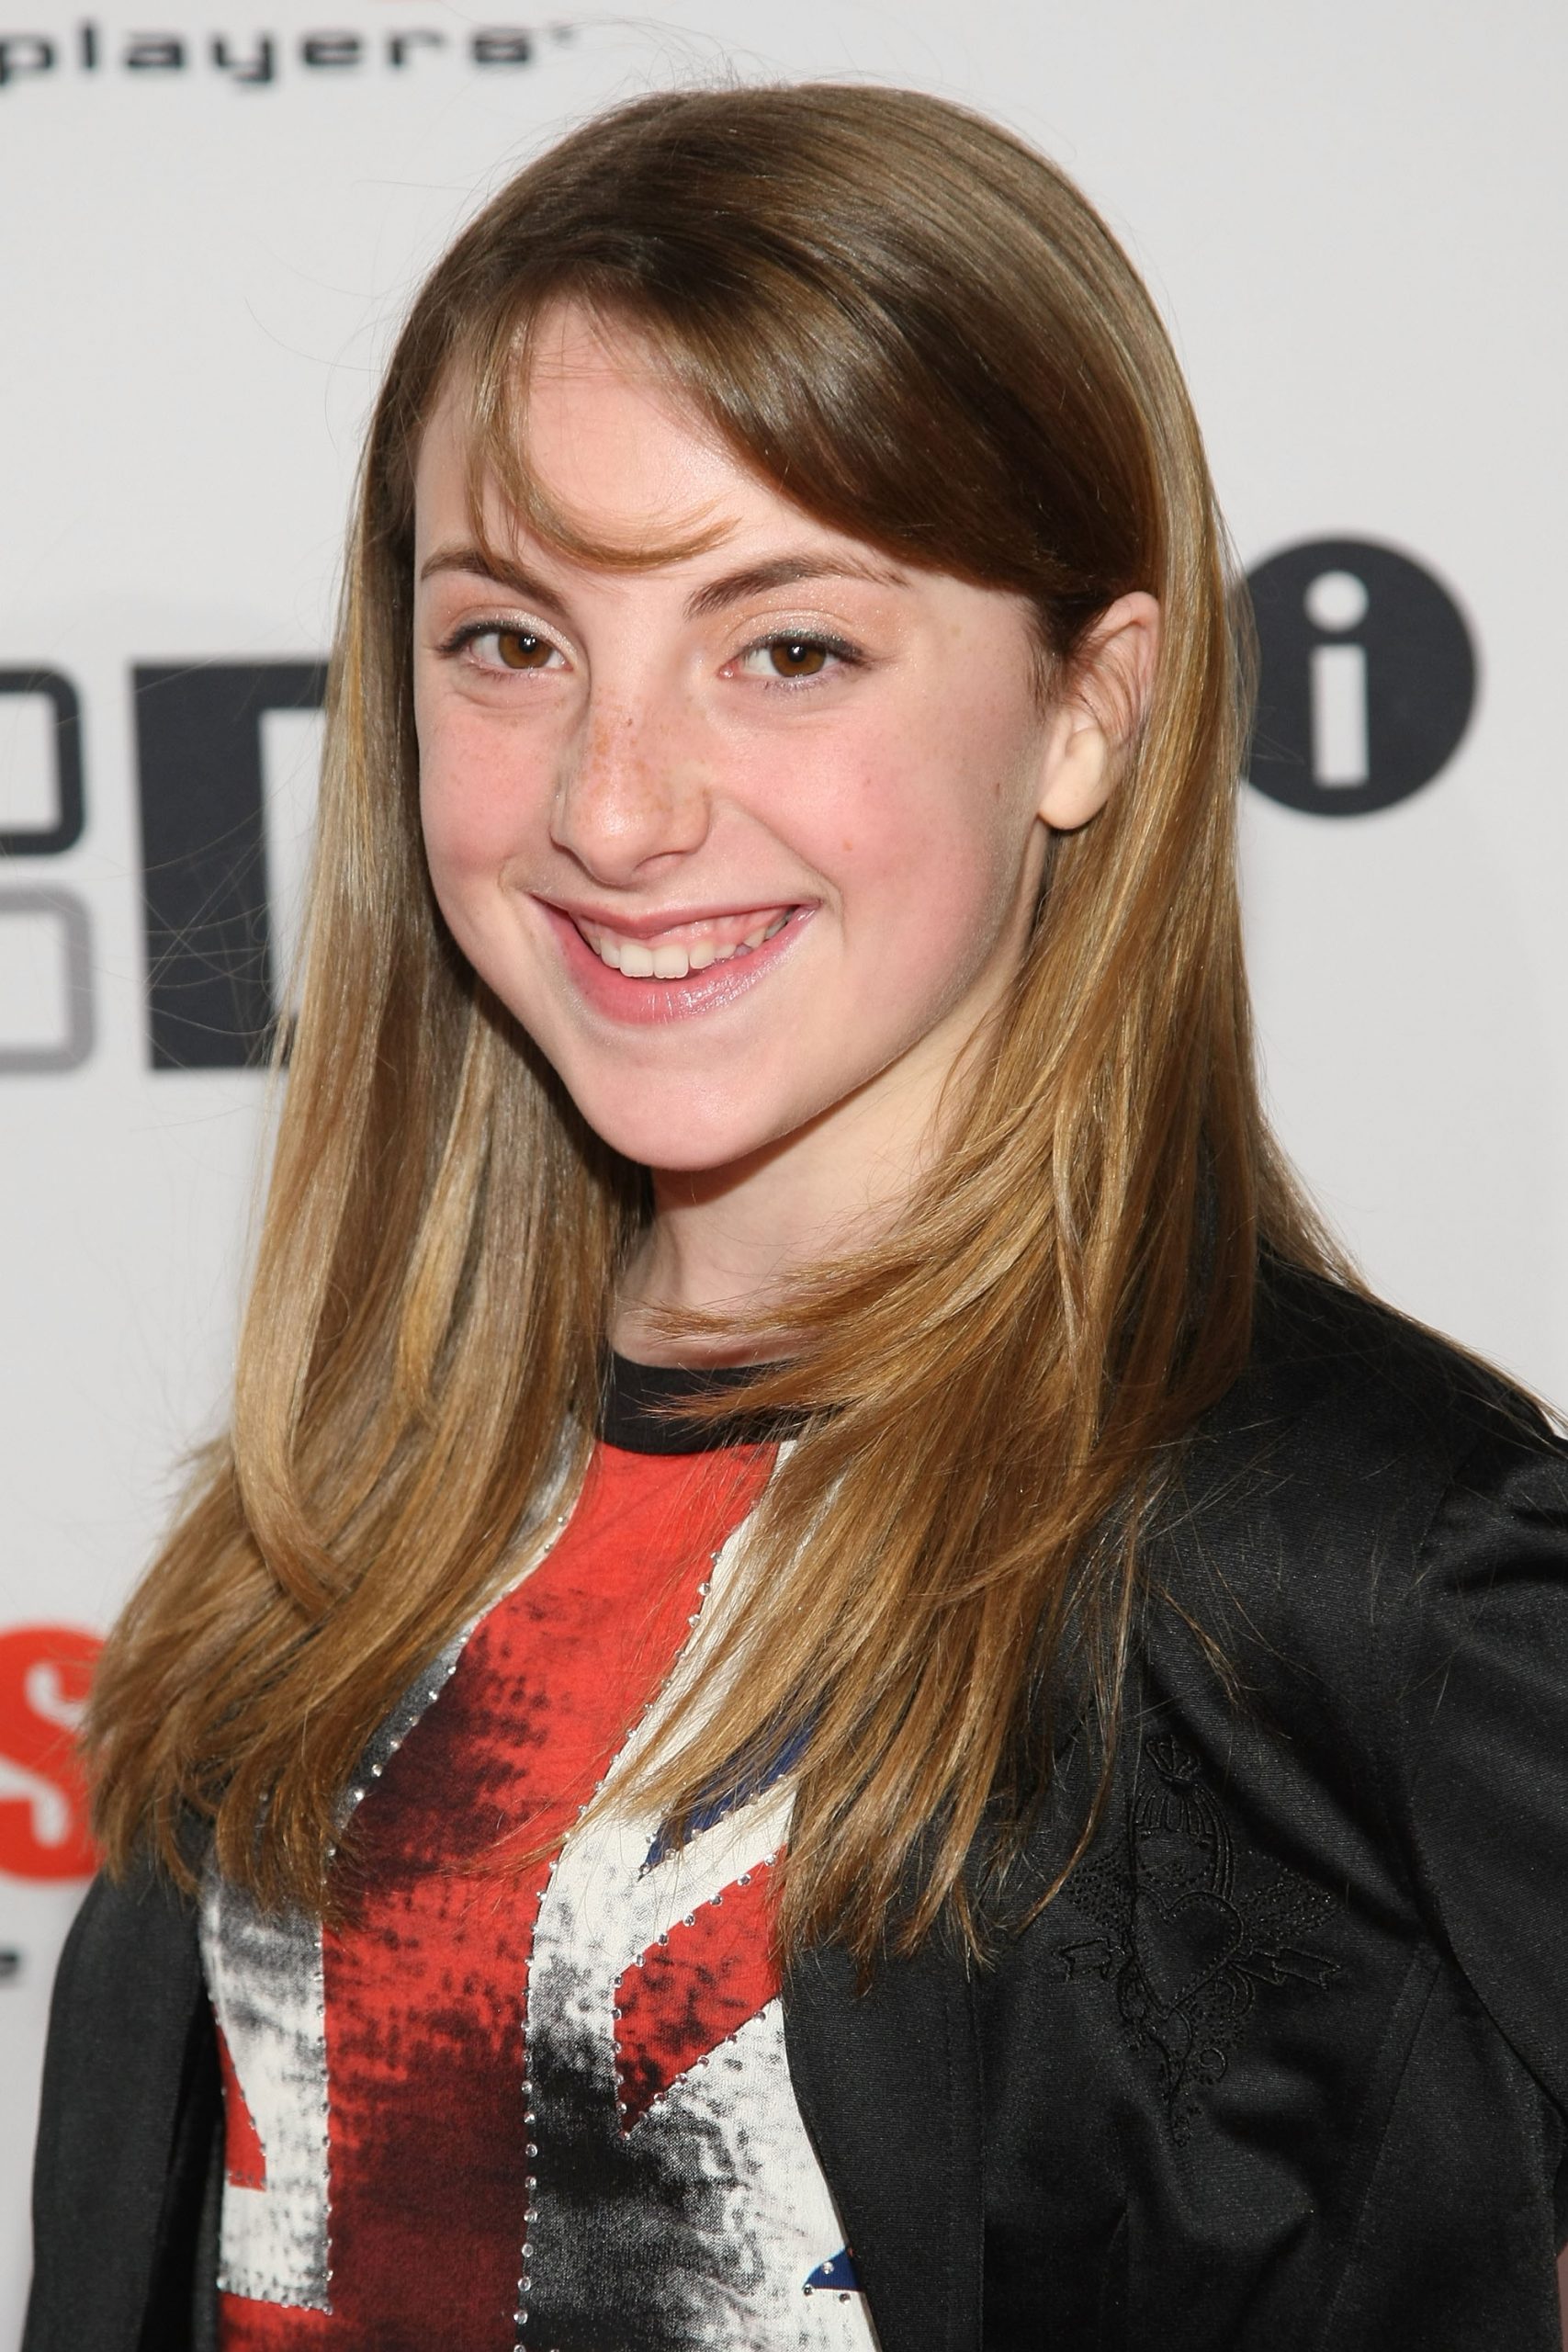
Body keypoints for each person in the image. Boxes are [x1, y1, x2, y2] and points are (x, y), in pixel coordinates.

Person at [23, 80, 1568, 2352]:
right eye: (511, 642)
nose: (612, 804)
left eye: (788, 648)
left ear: (1087, 709)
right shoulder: (335, 1518)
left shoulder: (1354, 1554)